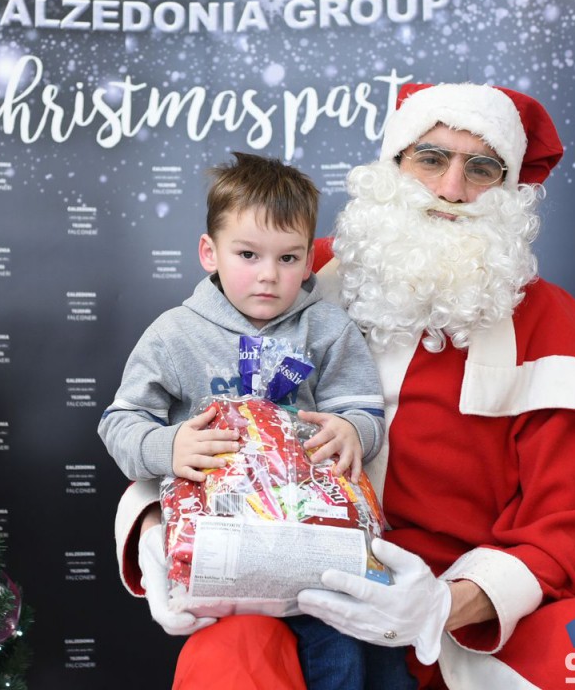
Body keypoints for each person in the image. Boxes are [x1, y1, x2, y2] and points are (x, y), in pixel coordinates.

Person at [114, 84, 575, 689]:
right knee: (228, 657)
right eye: (430, 158)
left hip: (470, 619)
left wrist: (443, 605)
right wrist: (156, 529)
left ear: (508, 190)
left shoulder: (554, 323)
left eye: (481, 169)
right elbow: (188, 408)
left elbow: (562, 531)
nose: (452, 189)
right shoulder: (299, 271)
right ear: (393, 166)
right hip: (302, 584)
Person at [100, 152, 414, 690]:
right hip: (222, 546)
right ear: (210, 252)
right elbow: (121, 421)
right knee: (236, 662)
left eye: (288, 258)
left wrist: (352, 431)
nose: (269, 274)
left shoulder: (327, 328)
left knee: (352, 655)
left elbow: (364, 412)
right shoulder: (175, 334)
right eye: (248, 254)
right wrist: (169, 446)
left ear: (309, 262)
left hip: (312, 541)